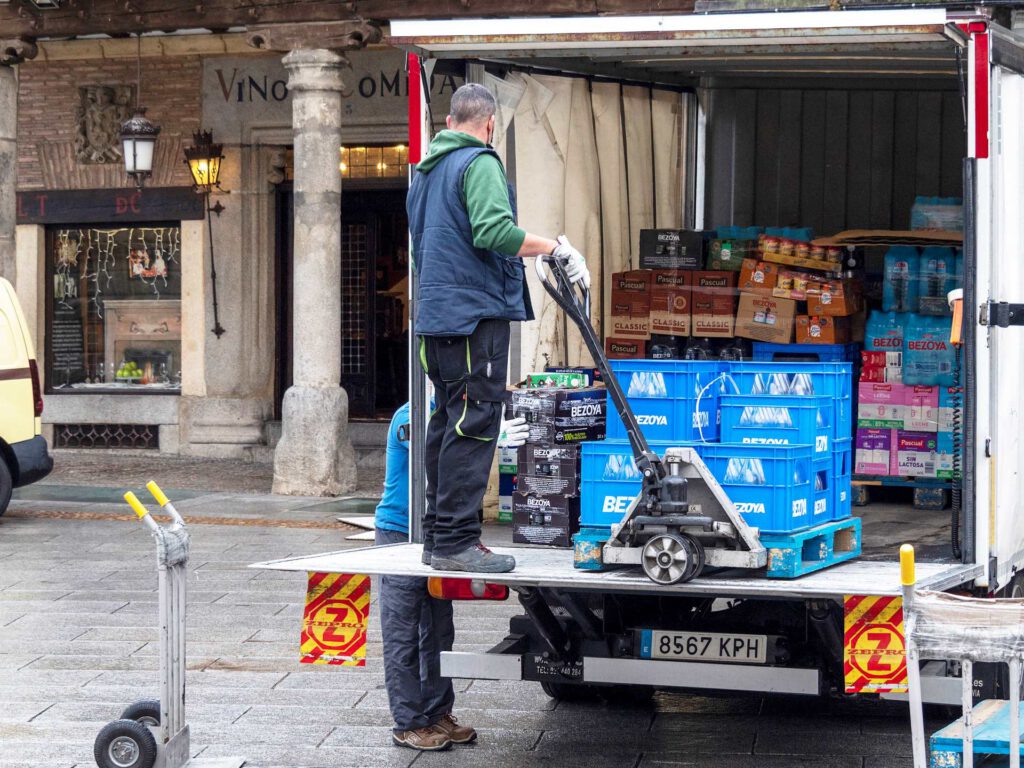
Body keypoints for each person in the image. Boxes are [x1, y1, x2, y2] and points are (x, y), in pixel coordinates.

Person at [407, 82, 591, 574]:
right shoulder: (479, 163)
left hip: (434, 320)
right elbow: (493, 232)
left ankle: (437, 538)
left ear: (449, 124)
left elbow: (420, 250)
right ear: (489, 125)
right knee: (474, 423)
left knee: (446, 421)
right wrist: (555, 248)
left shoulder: (424, 175)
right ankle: (457, 544)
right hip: (473, 319)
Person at [375, 402, 528, 751]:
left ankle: (437, 712)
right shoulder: (410, 416)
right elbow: (435, 465)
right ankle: (408, 723)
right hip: (400, 533)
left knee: (439, 629)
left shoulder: (457, 415)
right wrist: (489, 439)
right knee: (403, 632)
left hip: (439, 535)